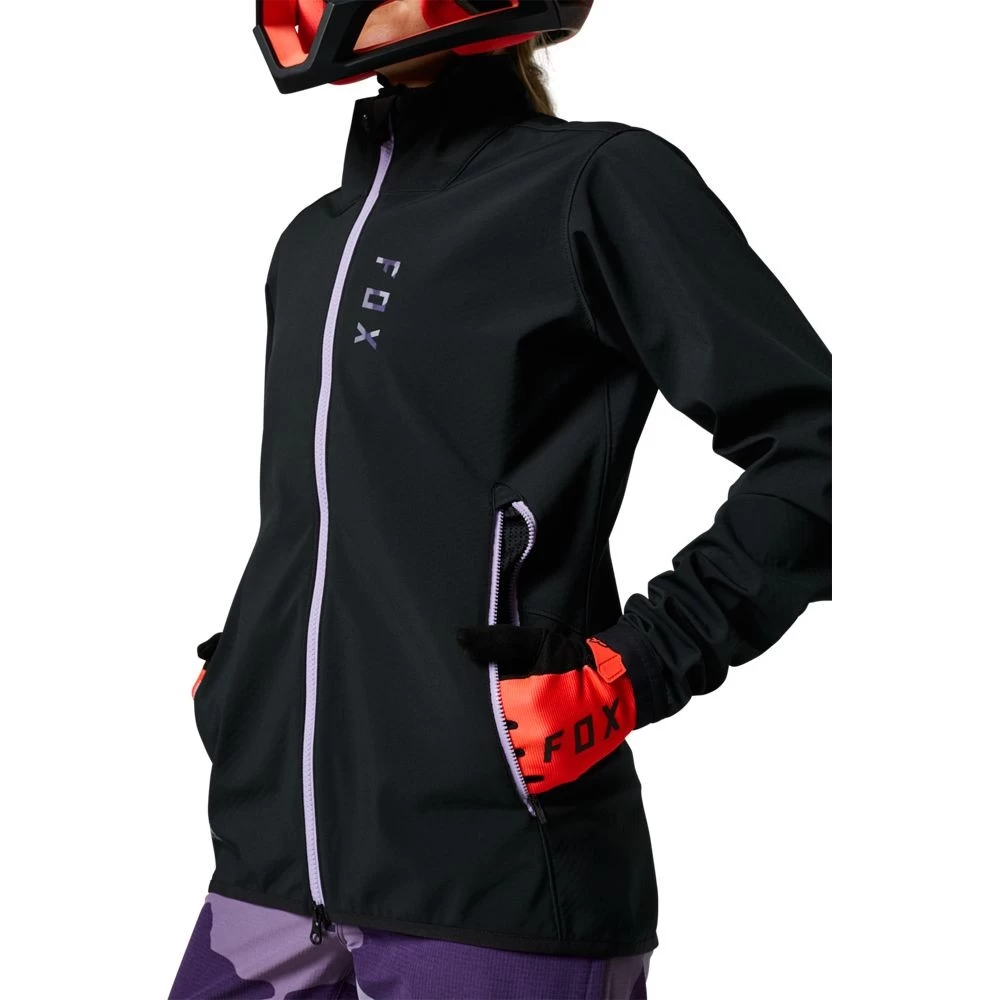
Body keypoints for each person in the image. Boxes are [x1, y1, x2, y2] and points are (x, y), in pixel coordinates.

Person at [170, 2, 833, 997]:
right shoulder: (312, 242)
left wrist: (636, 667)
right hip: (269, 873)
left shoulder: (595, 184)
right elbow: (347, 512)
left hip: (498, 889)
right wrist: (252, 673)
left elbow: (826, 447)